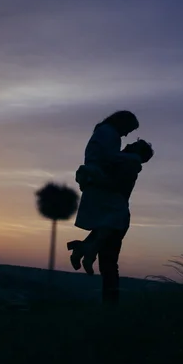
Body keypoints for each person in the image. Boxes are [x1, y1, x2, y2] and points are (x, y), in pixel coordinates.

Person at [69, 138, 154, 305]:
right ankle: (110, 302)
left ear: (138, 153)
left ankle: (110, 304)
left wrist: (93, 178)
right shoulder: (123, 162)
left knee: (108, 263)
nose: (129, 144)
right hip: (111, 217)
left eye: (135, 145)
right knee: (107, 262)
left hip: (116, 218)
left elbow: (114, 185)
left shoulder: (129, 165)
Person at [66, 110, 139, 275]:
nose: (127, 134)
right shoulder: (109, 132)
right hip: (99, 178)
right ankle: (86, 251)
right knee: (114, 220)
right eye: (129, 129)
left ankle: (84, 249)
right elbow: (108, 156)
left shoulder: (107, 132)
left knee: (108, 222)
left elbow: (109, 156)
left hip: (98, 177)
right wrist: (131, 158)